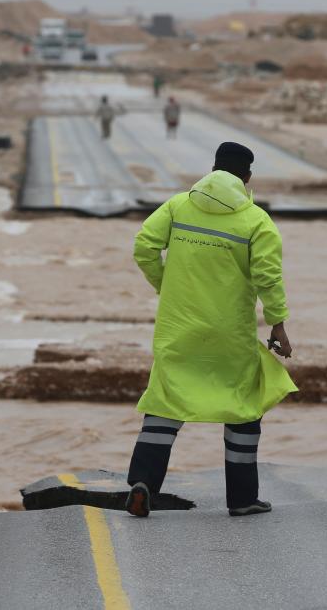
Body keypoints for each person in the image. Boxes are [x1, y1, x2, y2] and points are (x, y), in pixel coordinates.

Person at [125, 141, 297, 518]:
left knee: (166, 401)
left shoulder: (178, 205)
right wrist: (278, 323)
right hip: (229, 335)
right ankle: (242, 498)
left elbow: (144, 246)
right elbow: (268, 277)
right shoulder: (256, 222)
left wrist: (165, 285)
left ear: (213, 168)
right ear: (247, 178)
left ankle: (143, 483)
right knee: (243, 406)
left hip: (178, 327)